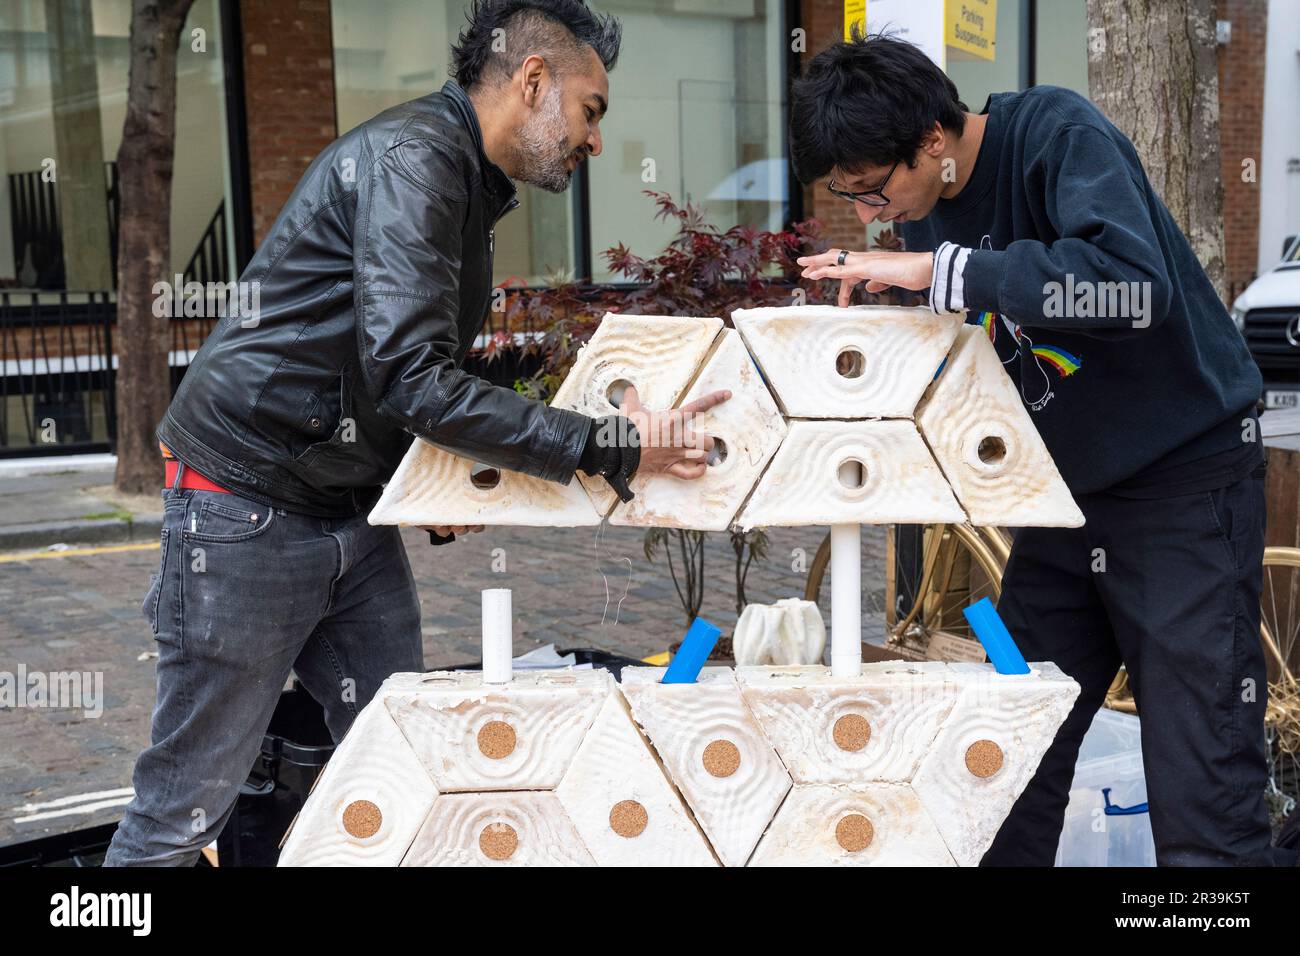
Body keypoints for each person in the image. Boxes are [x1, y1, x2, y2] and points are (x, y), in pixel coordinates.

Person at [106, 0, 728, 866]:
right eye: (592, 110)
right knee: (178, 818)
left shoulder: (461, 179)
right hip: (244, 510)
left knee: (408, 761)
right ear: (533, 80)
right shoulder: (417, 162)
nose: (594, 140)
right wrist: (611, 446)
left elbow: (390, 370)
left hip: (345, 515)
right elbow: (411, 377)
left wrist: (423, 479)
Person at [790, 32, 1289, 866]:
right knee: (1003, 750)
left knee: (1202, 779)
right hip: (1061, 504)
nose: (875, 215)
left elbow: (1132, 286)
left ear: (933, 140)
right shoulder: (922, 217)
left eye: (875, 191)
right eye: (854, 200)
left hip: (1182, 487)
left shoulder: (1057, 134)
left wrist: (946, 274)